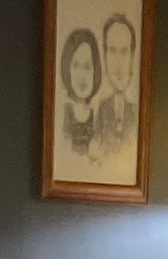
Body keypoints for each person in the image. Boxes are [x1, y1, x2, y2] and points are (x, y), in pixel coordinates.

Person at [94, 12, 140, 166]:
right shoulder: (100, 110)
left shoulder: (138, 112)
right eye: (112, 51)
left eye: (124, 51)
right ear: (105, 55)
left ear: (132, 56)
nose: (118, 63)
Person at [58, 25, 100, 166]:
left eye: (87, 66)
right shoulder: (63, 113)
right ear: (67, 68)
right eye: (76, 65)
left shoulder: (97, 115)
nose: (82, 76)